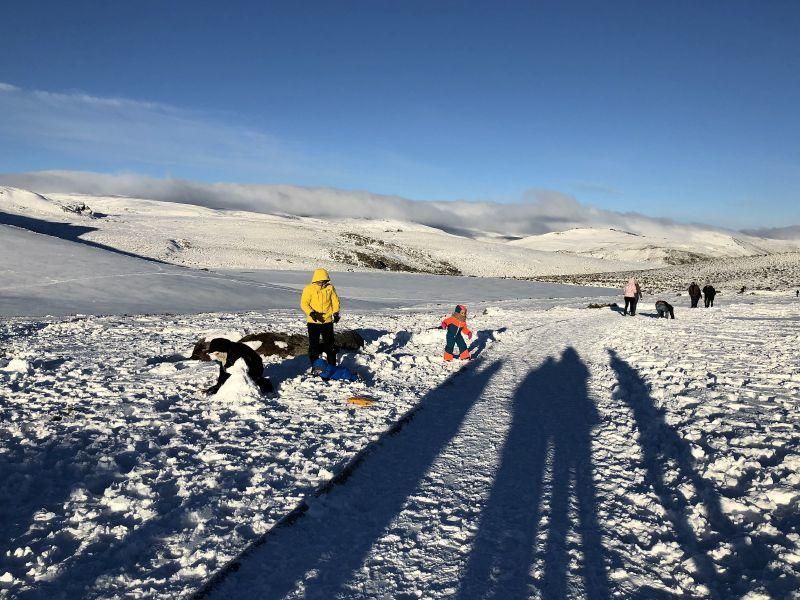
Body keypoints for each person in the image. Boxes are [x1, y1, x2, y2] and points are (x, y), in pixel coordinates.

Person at [300, 268, 341, 367]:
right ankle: (315, 366)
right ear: (315, 280)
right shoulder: (308, 289)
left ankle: (332, 366)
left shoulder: (330, 288)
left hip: (327, 321)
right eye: (320, 282)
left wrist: (335, 313)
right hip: (313, 322)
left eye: (324, 282)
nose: (322, 284)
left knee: (330, 345)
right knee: (314, 345)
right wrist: (311, 313)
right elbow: (304, 303)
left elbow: (335, 302)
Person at [205, 337, 273, 395]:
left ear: (223, 349)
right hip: (243, 365)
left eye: (217, 353)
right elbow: (224, 369)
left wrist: (257, 380)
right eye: (214, 354)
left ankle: (266, 384)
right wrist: (219, 384)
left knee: (250, 378)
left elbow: (246, 369)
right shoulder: (225, 354)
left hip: (254, 366)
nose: (216, 356)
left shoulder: (238, 352)